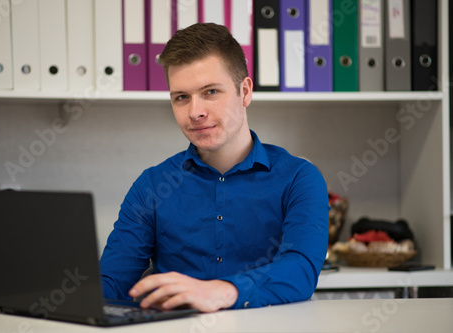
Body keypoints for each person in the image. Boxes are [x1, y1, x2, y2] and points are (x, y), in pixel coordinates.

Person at [100, 23, 329, 313]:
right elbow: (111, 283)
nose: (195, 112)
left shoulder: (299, 179)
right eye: (181, 97)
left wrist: (220, 292)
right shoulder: (152, 186)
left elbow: (300, 270)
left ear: (244, 91)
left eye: (210, 92)